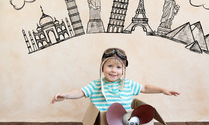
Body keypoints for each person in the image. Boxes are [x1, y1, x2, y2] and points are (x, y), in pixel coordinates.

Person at [51, 48, 180, 111]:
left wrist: (163, 90)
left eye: (118, 67)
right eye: (110, 66)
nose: (114, 70)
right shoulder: (97, 85)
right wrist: (66, 95)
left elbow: (145, 88)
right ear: (102, 68)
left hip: (125, 122)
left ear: (123, 70)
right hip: (104, 123)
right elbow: (80, 92)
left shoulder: (128, 84)